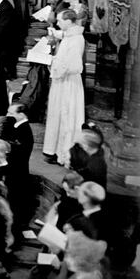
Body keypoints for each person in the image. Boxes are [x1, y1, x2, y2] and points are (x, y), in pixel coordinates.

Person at [42, 10, 86, 167]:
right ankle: (54, 149)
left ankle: (63, 153)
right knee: (57, 115)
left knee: (66, 117)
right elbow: (62, 36)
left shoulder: (76, 39)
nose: (58, 23)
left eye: (60, 21)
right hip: (62, 81)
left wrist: (52, 63)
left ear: (69, 21)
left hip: (68, 83)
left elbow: (73, 65)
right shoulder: (71, 34)